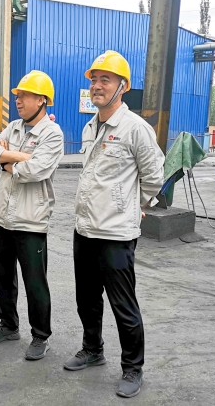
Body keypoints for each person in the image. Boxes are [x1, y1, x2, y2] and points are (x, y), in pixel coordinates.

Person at [64, 50, 164, 398]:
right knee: (87, 299)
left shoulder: (135, 128)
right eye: (94, 79)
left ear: (123, 86)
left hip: (116, 234)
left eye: (105, 79)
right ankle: (92, 349)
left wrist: (134, 206)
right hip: (85, 229)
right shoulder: (90, 126)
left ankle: (133, 368)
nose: (97, 85)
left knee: (123, 304)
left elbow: (154, 177)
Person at [0, 70, 64, 360]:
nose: (18, 100)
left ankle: (41, 335)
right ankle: (8, 325)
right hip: (1, 217)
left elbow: (36, 170)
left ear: (42, 100)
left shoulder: (52, 134)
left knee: (34, 281)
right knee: (2, 275)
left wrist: (6, 161)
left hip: (30, 221)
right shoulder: (14, 128)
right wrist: (21, 156)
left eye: (25, 95)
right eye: (18, 95)